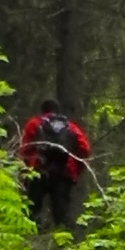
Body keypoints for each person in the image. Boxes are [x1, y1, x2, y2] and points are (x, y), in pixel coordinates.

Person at [17, 101, 92, 235]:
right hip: (64, 173)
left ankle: (34, 240)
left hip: (38, 170)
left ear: (43, 110)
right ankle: (64, 245)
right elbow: (85, 149)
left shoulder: (34, 123)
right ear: (58, 112)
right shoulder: (71, 127)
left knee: (33, 208)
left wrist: (28, 168)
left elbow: (25, 149)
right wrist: (76, 170)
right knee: (61, 212)